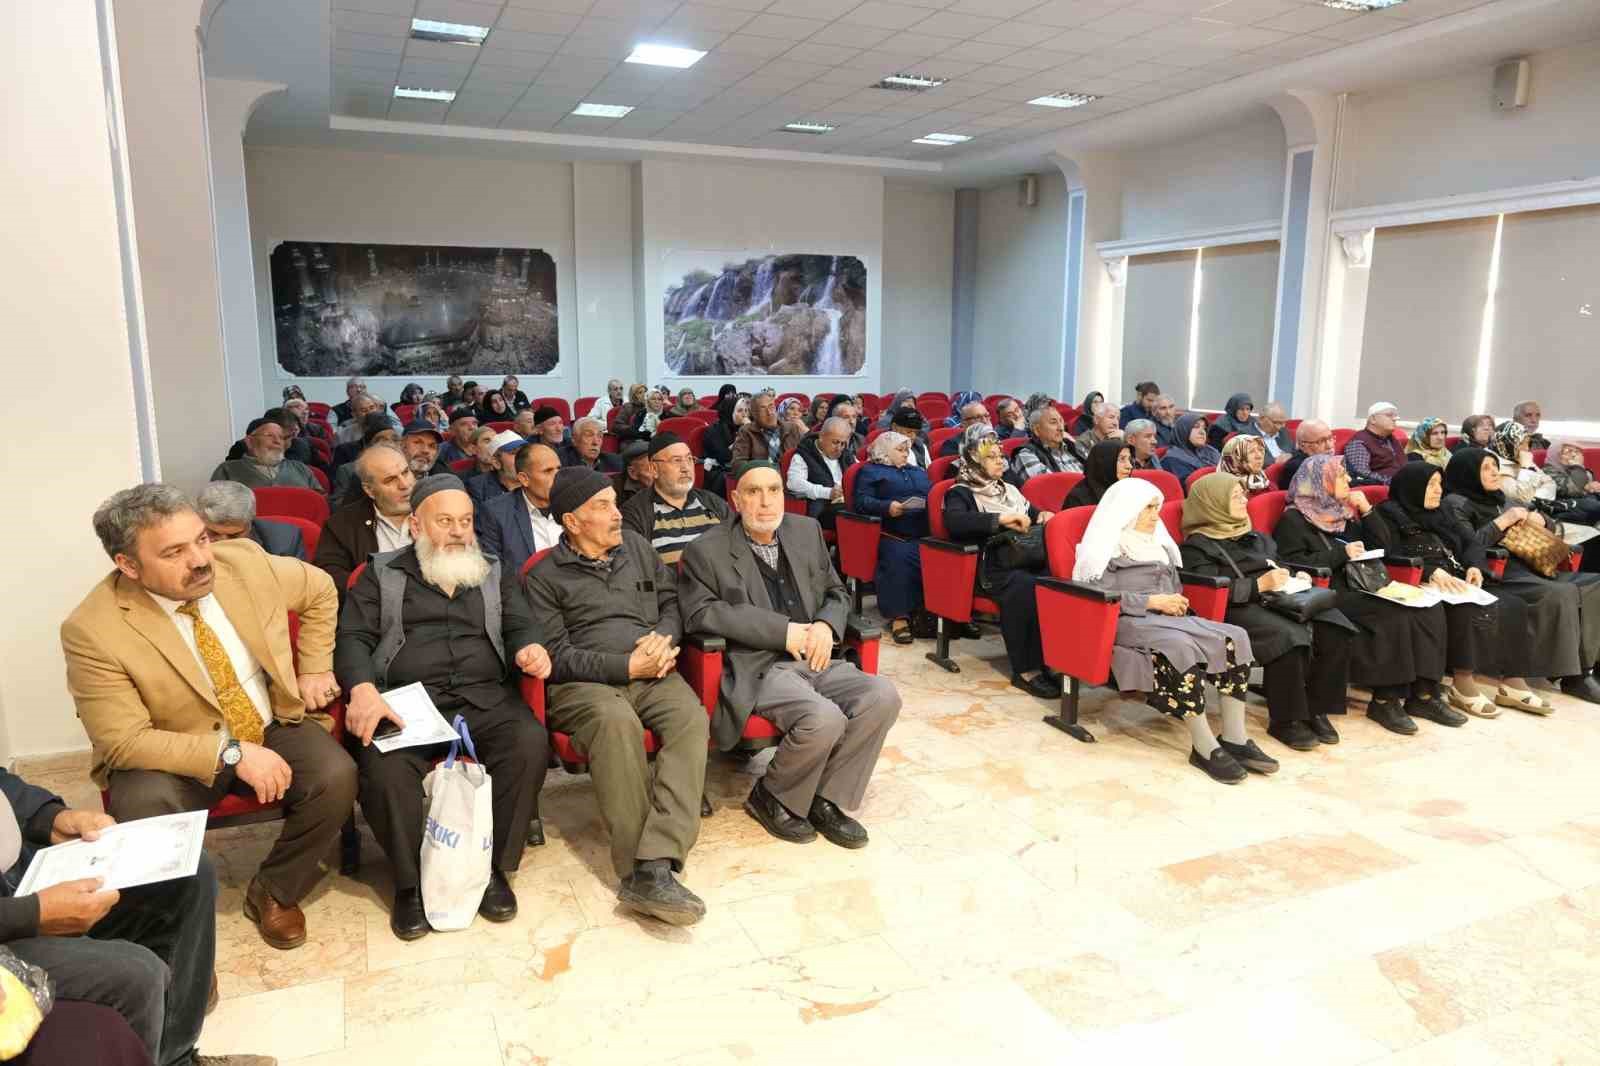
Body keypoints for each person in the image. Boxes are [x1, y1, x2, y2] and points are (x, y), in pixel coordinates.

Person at [63, 485, 358, 950]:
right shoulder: (93, 629)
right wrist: (234, 754)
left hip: (267, 721)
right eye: (175, 552)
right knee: (143, 806)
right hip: (171, 748)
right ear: (128, 566)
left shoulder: (242, 562)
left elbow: (320, 589)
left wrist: (316, 664)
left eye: (201, 539)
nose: (201, 560)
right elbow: (122, 741)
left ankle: (274, 890)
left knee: (336, 775)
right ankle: (177, 939)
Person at [335, 474, 550, 940]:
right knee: (385, 769)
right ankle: (410, 885)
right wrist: (363, 689)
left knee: (529, 743)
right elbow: (353, 636)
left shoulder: (491, 568)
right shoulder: (383, 573)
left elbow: (520, 623)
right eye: (445, 521)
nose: (458, 532)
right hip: (410, 701)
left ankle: (494, 869)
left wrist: (529, 646)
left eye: (466, 522)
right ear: (416, 525)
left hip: (485, 695)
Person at [521, 469, 710, 925]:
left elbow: (671, 603)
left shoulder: (639, 549)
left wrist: (665, 637)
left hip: (653, 673)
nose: (616, 514)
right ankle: (637, 869)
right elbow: (557, 655)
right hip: (583, 685)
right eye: (602, 506)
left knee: (691, 719)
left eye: (614, 502)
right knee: (615, 722)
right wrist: (624, 667)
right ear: (572, 521)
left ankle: (656, 862)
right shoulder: (543, 576)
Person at [681, 461, 900, 849]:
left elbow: (836, 591)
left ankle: (825, 797)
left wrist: (825, 626)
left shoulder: (806, 531)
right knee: (823, 717)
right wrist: (783, 632)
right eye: (753, 492)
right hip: (758, 665)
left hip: (817, 656)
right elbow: (701, 613)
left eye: (774, 490)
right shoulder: (706, 550)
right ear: (735, 499)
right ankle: (772, 795)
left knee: (883, 696)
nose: (765, 502)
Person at [0, 769, 256, 1066]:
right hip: (10, 925)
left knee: (191, 875)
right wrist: (31, 913)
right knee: (137, 973)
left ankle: (176, 1059)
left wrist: (50, 816)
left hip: (25, 876)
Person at [1073, 478, 1268, 784]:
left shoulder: (1159, 544)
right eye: (1148, 508)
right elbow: (1100, 598)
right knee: (1179, 647)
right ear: (1126, 511)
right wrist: (1153, 601)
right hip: (1127, 621)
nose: (1155, 515)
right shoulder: (1105, 548)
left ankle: (1235, 737)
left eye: (1157, 508)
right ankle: (1203, 746)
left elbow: (1173, 586)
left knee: (1236, 636)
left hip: (1168, 617)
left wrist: (1175, 601)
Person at [1272, 455, 1459, 734]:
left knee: (1428, 606)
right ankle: (1385, 699)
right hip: (1328, 591)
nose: (1348, 480)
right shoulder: (1294, 519)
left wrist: (1367, 511)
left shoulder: (1341, 514)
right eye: (1341, 476)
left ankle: (1424, 694)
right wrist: (1340, 553)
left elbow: (1382, 546)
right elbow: (1293, 564)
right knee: (1392, 614)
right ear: (1320, 482)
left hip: (1361, 585)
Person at [1180, 473, 1354, 749]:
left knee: (1335, 626)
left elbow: (1278, 562)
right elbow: (1206, 590)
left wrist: (1296, 576)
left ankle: (1315, 708)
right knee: (1288, 636)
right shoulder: (1196, 546)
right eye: (1234, 496)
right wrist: (1256, 585)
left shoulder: (1253, 535)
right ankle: (1287, 720)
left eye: (1242, 494)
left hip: (1278, 597)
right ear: (1214, 502)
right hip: (1237, 605)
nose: (1243, 500)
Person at [1367, 462, 1542, 717]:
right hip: (1417, 580)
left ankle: (1513, 681)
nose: (1439, 490)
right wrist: (1429, 571)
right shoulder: (1388, 514)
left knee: (1512, 604)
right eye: (1431, 485)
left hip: (1456, 578)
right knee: (1466, 608)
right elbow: (1386, 553)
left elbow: (1471, 542)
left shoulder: (1441, 513)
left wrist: (1474, 566)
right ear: (1413, 487)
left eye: (1440, 484)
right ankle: (1462, 682)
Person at [1441, 448, 1600, 704]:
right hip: (1495, 571)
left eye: (1495, 466)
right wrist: (1501, 523)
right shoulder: (1455, 503)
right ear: (1468, 472)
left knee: (1593, 585)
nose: (1495, 472)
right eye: (1486, 468)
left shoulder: (1498, 497)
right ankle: (1569, 674)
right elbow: (1466, 547)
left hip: (1528, 565)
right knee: (1562, 592)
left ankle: (1586, 669)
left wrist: (1542, 521)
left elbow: (1543, 519)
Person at [941, 425, 1059, 699]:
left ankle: (1055, 660)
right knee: (1025, 588)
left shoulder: (1008, 489)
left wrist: (1043, 515)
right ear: (974, 458)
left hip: (1023, 557)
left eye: (1000, 456)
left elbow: (1032, 511)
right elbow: (955, 523)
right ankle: (1026, 670)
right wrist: (999, 520)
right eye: (992, 457)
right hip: (989, 567)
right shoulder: (960, 491)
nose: (1000, 462)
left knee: (1057, 582)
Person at [852, 433, 933, 642]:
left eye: (907, 450)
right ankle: (899, 618)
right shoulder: (870, 471)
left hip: (923, 532)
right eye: (900, 449)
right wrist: (887, 507)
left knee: (943, 554)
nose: (906, 454)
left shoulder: (917, 472)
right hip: (890, 532)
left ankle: (942, 616)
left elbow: (932, 495)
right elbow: (861, 501)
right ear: (884, 450)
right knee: (899, 556)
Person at [314, 443, 415, 599]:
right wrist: (373, 589)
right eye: (390, 480)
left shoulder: (440, 509)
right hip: (374, 613)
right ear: (369, 490)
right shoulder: (342, 525)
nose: (405, 484)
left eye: (405, 472)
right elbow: (329, 575)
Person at [621, 431, 729, 564]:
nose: (686, 468)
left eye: (689, 459)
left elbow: (741, 550)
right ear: (654, 469)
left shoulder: (713, 502)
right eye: (676, 460)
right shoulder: (635, 513)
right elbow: (635, 568)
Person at [476, 441, 563, 575]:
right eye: (548, 471)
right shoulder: (496, 513)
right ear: (524, 479)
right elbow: (495, 573)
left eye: (558, 469)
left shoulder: (574, 504)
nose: (557, 477)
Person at [196, 481, 306, 560]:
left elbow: (296, 587)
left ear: (250, 523)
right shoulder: (183, 540)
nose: (224, 543)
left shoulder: (285, 541)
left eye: (234, 535)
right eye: (213, 533)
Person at [211, 417, 323, 494]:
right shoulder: (227, 470)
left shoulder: (301, 468)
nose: (277, 441)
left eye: (281, 437)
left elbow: (320, 502)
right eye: (270, 435)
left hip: (299, 528)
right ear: (250, 441)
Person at [785, 417, 851, 528]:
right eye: (835, 442)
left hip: (846, 503)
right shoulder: (804, 454)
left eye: (843, 444)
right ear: (821, 437)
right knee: (852, 517)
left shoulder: (846, 454)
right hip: (822, 509)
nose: (839, 448)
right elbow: (794, 483)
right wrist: (827, 492)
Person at [330, 414, 401, 505]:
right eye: (382, 440)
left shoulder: (410, 467)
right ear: (368, 446)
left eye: (395, 439)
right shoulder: (348, 471)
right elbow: (337, 505)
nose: (390, 444)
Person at [1489, 420, 1558, 507]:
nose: (1526, 448)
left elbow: (1550, 483)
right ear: (1506, 444)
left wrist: (1534, 499)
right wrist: (1526, 468)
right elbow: (1522, 499)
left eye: (1528, 443)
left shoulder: (1518, 458)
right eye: (1521, 444)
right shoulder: (1493, 466)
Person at [1009, 404, 1083, 483]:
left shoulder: (1072, 447)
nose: (1061, 428)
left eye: (1061, 421)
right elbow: (1049, 486)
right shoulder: (1025, 454)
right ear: (1037, 430)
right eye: (1053, 422)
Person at [1342, 401, 1407, 484]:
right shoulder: (1359, 442)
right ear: (1373, 419)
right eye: (1389, 415)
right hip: (1383, 489)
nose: (1395, 419)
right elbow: (1361, 474)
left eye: (1395, 416)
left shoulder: (1391, 439)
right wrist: (1394, 481)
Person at [1543, 439, 1600, 525]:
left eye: (1576, 452)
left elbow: (1587, 480)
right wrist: (1578, 467)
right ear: (1555, 454)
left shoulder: (1571, 468)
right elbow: (1571, 490)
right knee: (1594, 506)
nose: (1573, 455)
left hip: (1583, 501)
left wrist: (1592, 486)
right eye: (1568, 451)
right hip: (1564, 506)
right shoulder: (1548, 471)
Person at [1064, 440, 1132, 509]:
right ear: (1104, 462)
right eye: (1122, 459)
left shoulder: (1130, 491)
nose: (1129, 466)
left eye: (1129, 459)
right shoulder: (1077, 499)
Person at [1160, 413, 1221, 489]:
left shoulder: (1211, 451)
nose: (1202, 432)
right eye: (1196, 427)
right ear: (1183, 430)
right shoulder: (1172, 460)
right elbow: (1193, 488)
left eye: (1204, 428)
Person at [466, 431, 525, 506]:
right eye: (514, 453)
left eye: (525, 452)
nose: (523, 458)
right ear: (496, 463)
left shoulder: (539, 481)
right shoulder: (477, 488)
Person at [703, 394, 746, 486]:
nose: (744, 414)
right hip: (719, 472)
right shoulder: (714, 431)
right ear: (729, 411)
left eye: (746, 410)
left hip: (741, 468)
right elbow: (724, 457)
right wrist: (742, 437)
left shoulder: (743, 428)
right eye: (739, 411)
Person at [1279, 419, 1335, 488]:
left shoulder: (1331, 458)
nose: (1329, 446)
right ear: (1303, 446)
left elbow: (1351, 481)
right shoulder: (1298, 467)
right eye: (1321, 441)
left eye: (1330, 438)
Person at [733, 393, 782, 464]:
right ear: (754, 414)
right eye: (763, 408)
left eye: (771, 407)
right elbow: (738, 463)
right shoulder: (746, 431)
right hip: (760, 473)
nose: (769, 413)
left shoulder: (791, 428)